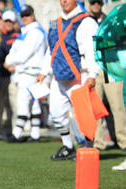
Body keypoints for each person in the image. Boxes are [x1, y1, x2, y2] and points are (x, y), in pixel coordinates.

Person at [37, 0, 100, 160]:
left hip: (81, 75)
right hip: (59, 76)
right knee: (56, 114)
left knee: (84, 115)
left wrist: (92, 74)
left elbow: (93, 50)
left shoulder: (87, 21)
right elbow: (52, 49)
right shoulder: (55, 23)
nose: (64, 1)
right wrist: (44, 71)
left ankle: (87, 149)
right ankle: (68, 146)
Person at [4, 5, 47, 143]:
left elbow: (23, 54)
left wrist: (9, 61)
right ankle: (35, 134)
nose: (24, 18)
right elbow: (15, 51)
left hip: (30, 71)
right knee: (33, 103)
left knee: (23, 101)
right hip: (27, 71)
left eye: (27, 15)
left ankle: (17, 132)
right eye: (22, 15)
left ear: (33, 15)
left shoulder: (35, 32)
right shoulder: (26, 31)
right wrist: (10, 60)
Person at [88, 0, 126, 152]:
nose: (96, 4)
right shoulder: (84, 21)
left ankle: (123, 141)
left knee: (118, 106)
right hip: (94, 70)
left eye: (98, 2)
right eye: (92, 2)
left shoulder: (112, 21)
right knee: (95, 108)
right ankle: (98, 143)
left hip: (110, 68)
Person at [0, 10, 20, 141]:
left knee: (14, 104)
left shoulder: (18, 36)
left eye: (10, 22)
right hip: (1, 75)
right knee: (2, 105)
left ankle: (15, 130)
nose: (7, 24)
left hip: (13, 74)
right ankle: (4, 129)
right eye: (5, 21)